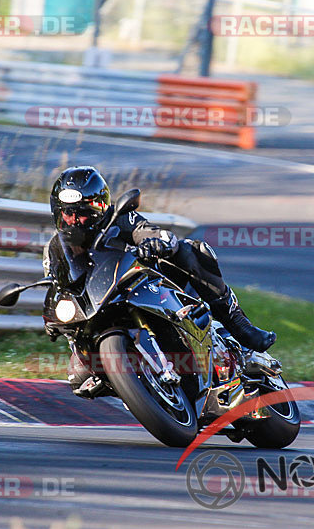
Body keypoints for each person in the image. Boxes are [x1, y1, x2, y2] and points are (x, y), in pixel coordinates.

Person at [43, 166, 277, 394]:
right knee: (78, 378)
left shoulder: (120, 219)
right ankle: (137, 383)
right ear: (58, 212)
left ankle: (239, 325)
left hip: (145, 286)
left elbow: (151, 232)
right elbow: (58, 286)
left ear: (100, 207)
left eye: (84, 212)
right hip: (99, 307)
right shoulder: (55, 249)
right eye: (68, 212)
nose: (75, 220)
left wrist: (156, 242)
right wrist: (53, 317)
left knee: (191, 251)